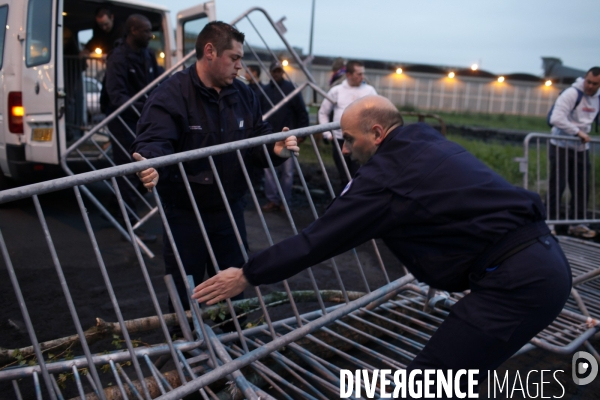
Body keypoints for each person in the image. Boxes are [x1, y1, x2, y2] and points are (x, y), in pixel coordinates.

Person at [193, 95, 571, 393]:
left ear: (376, 134)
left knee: (426, 385)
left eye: (348, 139)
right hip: (540, 260)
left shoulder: (386, 178)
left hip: (516, 283)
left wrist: (247, 274)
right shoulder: (423, 138)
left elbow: (317, 240)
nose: (343, 150)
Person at [131, 21, 299, 323]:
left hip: (230, 211)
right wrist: (151, 164)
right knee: (187, 293)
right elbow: (156, 141)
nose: (240, 66)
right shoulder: (171, 94)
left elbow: (257, 140)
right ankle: (187, 351)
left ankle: (236, 346)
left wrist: (275, 151)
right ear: (210, 51)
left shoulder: (245, 95)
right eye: (234, 58)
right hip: (185, 213)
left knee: (234, 288)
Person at [104, 14, 161, 240]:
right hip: (122, 120)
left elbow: (158, 85)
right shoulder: (117, 58)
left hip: (142, 118)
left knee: (138, 169)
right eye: (146, 31)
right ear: (133, 31)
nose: (150, 35)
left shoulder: (149, 54)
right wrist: (149, 105)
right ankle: (128, 225)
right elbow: (117, 97)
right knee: (129, 170)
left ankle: (116, 208)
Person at [548, 66, 600, 238]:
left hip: (580, 148)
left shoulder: (597, 99)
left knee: (581, 186)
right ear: (584, 79)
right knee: (558, 185)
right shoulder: (571, 93)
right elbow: (556, 118)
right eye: (588, 82)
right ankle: (550, 222)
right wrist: (577, 133)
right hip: (561, 144)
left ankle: (577, 223)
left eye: (595, 84)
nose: (590, 86)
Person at [318, 60, 377, 192]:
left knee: (359, 175)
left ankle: (358, 205)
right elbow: (323, 112)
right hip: (340, 140)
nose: (362, 77)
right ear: (349, 74)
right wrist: (328, 134)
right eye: (359, 74)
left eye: (363, 73)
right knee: (344, 177)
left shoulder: (369, 91)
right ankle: (343, 205)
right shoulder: (336, 90)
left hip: (362, 141)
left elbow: (378, 113)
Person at [261, 61, 309, 211]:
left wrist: (302, 134)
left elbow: (302, 111)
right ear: (270, 72)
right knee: (269, 171)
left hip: (288, 137)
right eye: (274, 71)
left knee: (287, 172)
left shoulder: (291, 89)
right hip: (269, 137)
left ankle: (285, 202)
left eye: (279, 71)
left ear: (282, 72)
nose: (277, 74)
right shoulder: (264, 91)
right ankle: (272, 200)